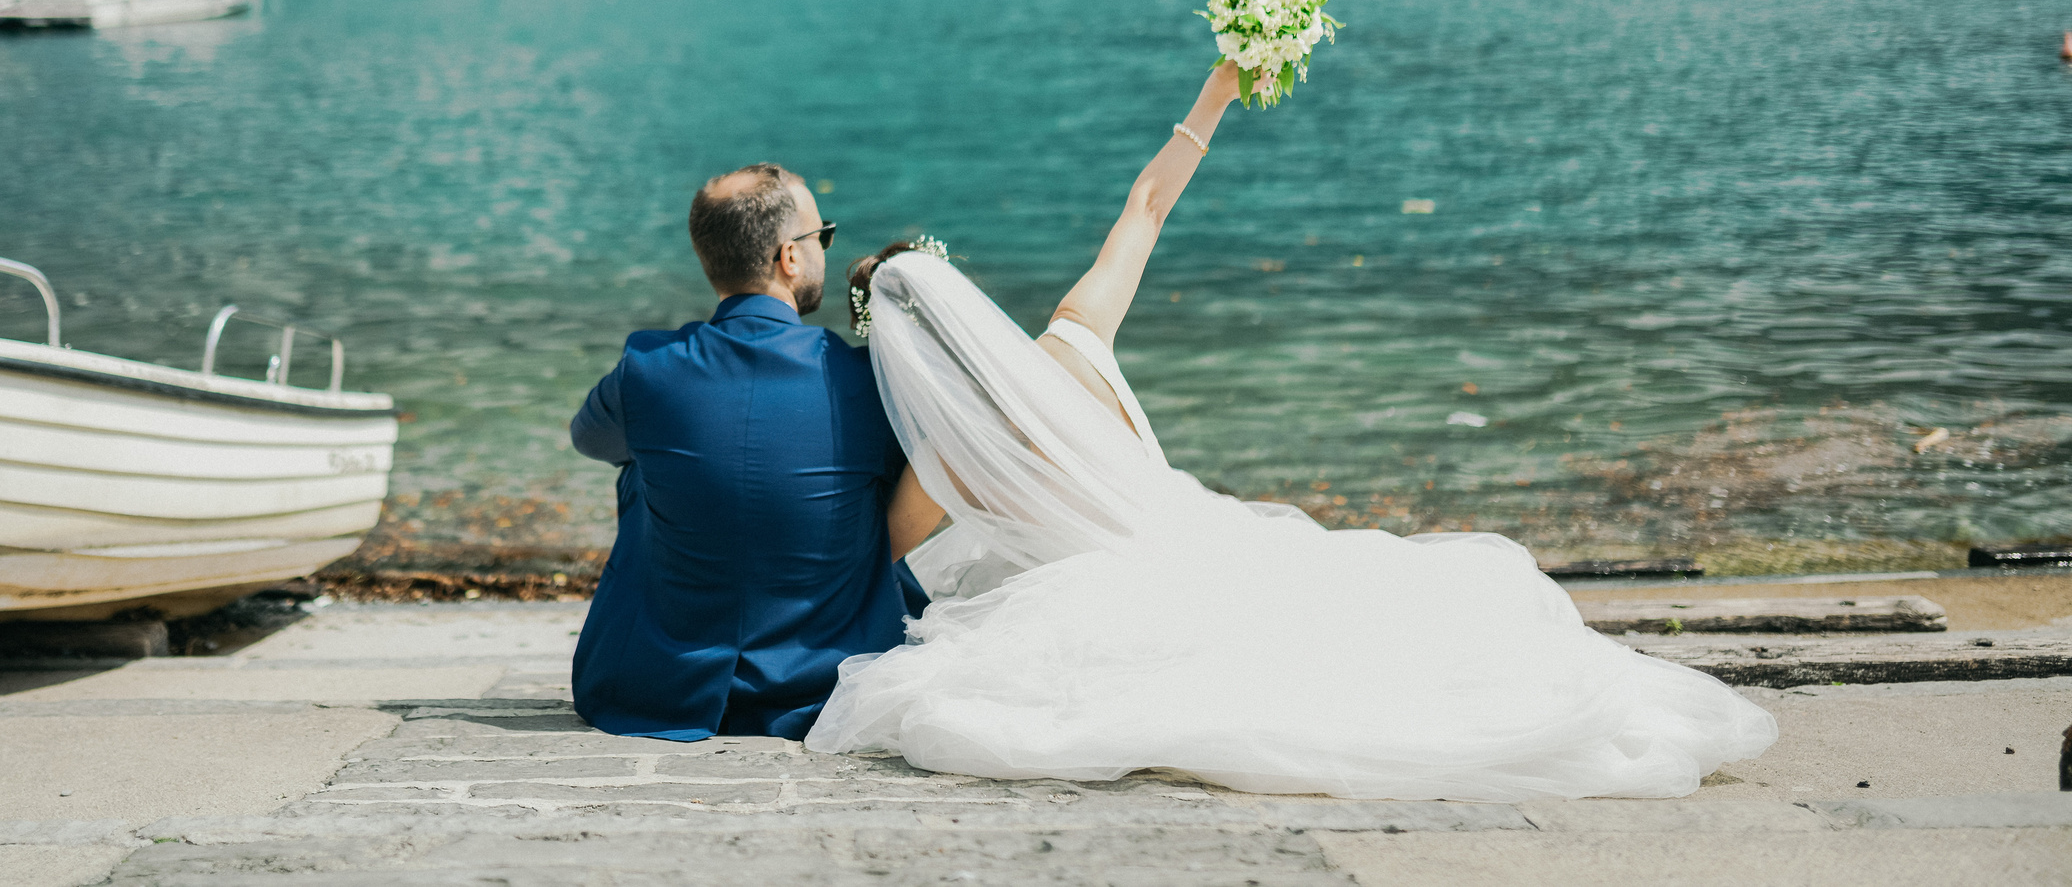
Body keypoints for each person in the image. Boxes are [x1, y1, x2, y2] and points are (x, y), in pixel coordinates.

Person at [808, 60, 1779, 800]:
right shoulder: (1076, 333)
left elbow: (864, 562)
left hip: (1120, 591)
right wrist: (1219, 87)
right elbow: (1146, 205)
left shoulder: (943, 469)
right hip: (1206, 536)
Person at [568, 162, 920, 740]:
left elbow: (589, 440)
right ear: (789, 257)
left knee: (642, 461)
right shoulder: (864, 382)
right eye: (821, 236)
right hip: (832, 685)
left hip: (649, 687)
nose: (825, 250)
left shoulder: (647, 370)